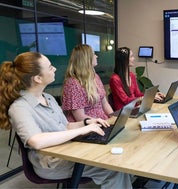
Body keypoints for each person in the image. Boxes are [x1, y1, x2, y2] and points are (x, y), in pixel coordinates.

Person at [0, 52, 133, 188]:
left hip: (68, 150)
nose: (55, 69)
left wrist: (87, 123)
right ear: (38, 78)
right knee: (113, 169)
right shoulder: (19, 107)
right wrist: (82, 130)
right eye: (51, 67)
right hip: (51, 162)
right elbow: (36, 141)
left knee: (116, 158)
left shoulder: (48, 98)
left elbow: (66, 125)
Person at [62, 44, 114, 122]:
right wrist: (100, 122)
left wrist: (114, 117)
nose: (96, 56)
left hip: (102, 121)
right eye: (93, 54)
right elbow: (79, 117)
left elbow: (104, 103)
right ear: (85, 59)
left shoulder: (95, 76)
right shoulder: (73, 83)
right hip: (86, 126)